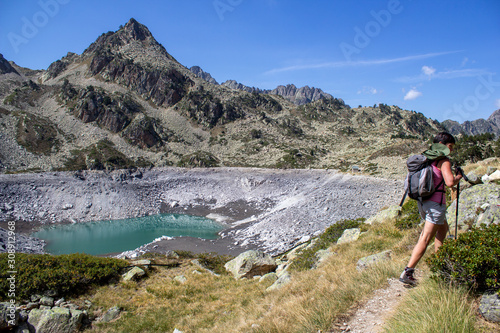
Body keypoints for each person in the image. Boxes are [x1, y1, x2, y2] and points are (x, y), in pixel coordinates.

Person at [399, 132, 463, 285]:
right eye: (450, 146)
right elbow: (449, 182)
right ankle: (408, 272)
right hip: (435, 205)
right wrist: (458, 176)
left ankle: (442, 265)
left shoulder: (427, 159)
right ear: (443, 145)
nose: (452, 150)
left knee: (442, 230)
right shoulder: (443, 161)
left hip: (423, 202)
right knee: (426, 238)